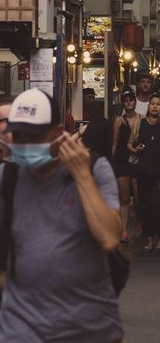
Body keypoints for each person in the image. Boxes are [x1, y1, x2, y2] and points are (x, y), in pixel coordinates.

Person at [0, 88, 122, 343]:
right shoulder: (7, 176)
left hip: (89, 328)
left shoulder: (94, 168)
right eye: (18, 136)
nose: (24, 145)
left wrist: (81, 176)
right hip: (21, 327)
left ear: (58, 134)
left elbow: (110, 238)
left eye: (33, 137)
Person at [128, 93, 160, 253]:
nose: (154, 106)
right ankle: (148, 239)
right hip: (143, 170)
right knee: (145, 205)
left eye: (158, 104)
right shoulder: (140, 124)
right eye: (152, 104)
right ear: (148, 106)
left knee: (158, 206)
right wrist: (135, 149)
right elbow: (130, 144)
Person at [112, 89, 141, 242]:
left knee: (137, 198)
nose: (129, 103)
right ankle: (123, 230)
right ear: (123, 103)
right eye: (126, 100)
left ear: (135, 102)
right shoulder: (119, 121)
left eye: (131, 100)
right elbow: (115, 143)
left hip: (137, 161)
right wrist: (111, 161)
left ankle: (138, 221)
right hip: (122, 160)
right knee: (124, 198)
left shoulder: (141, 119)